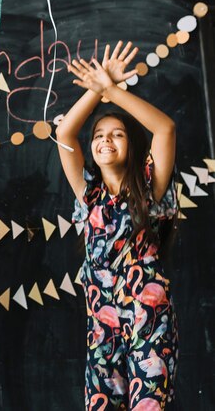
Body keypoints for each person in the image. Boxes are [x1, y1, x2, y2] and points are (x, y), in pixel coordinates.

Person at [55, 42, 179, 409]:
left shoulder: (148, 186)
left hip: (148, 316)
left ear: (133, 145)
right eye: (98, 135)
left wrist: (112, 92)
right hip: (101, 324)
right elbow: (64, 135)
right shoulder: (87, 192)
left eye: (117, 134)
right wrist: (95, 88)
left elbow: (165, 128)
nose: (105, 140)